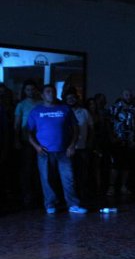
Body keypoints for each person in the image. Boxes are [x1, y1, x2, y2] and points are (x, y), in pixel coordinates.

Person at [27, 84, 87, 214]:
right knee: (47, 179)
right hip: (45, 151)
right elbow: (29, 132)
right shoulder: (36, 111)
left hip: (64, 151)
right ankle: (50, 204)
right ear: (42, 95)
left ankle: (73, 204)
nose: (51, 93)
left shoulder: (65, 109)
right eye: (48, 91)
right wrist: (36, 147)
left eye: (53, 91)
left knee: (68, 178)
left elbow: (75, 128)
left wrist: (72, 145)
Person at [14, 80, 42, 206]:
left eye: (32, 89)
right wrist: (16, 139)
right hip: (26, 140)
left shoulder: (41, 103)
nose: (30, 91)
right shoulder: (21, 105)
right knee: (27, 168)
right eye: (28, 89)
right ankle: (27, 194)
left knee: (39, 168)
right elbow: (17, 125)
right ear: (24, 91)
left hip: (41, 140)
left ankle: (38, 194)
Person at [65, 89, 93, 199]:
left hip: (82, 146)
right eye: (68, 98)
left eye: (73, 98)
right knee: (69, 173)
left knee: (82, 172)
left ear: (77, 99)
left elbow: (91, 128)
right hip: (67, 148)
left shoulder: (84, 112)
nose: (71, 100)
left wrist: (89, 141)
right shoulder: (64, 112)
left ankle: (82, 194)